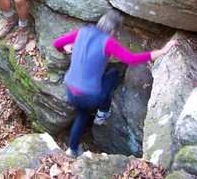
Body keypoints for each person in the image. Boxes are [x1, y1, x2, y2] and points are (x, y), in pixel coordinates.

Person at [52, 10, 179, 157]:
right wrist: (162, 51)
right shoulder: (108, 42)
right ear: (113, 30)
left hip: (70, 90)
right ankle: (103, 112)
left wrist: (66, 49)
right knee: (112, 74)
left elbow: (57, 43)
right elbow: (130, 59)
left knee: (82, 115)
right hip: (88, 96)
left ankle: (72, 150)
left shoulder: (82, 31)